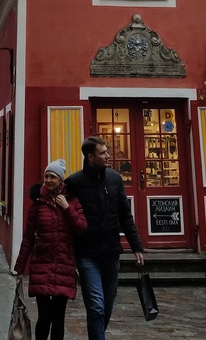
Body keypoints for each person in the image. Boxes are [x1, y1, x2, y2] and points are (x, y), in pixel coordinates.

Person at [65, 137, 144, 340]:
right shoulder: (74, 183)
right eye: (103, 153)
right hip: (87, 254)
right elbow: (68, 220)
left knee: (107, 306)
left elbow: (125, 215)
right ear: (91, 157)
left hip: (111, 252)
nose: (108, 156)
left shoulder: (115, 179)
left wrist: (136, 246)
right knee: (96, 306)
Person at [14, 159, 87, 340]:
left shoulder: (72, 201)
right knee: (44, 316)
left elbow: (82, 228)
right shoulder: (38, 205)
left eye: (52, 177)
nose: (47, 180)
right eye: (46, 176)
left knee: (58, 317)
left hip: (63, 264)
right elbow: (28, 237)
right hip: (42, 264)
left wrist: (67, 208)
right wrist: (20, 267)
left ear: (61, 180)